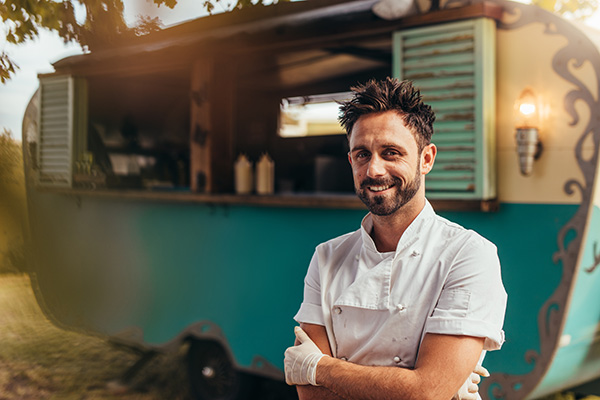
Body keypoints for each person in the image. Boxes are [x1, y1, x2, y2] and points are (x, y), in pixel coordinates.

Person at [284, 78, 507, 400]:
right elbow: (311, 395)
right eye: (362, 154)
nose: (374, 170)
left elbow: (427, 392)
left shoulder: (469, 254)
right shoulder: (327, 256)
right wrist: (424, 384)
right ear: (351, 161)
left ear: (426, 159)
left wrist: (320, 368)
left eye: (391, 153)